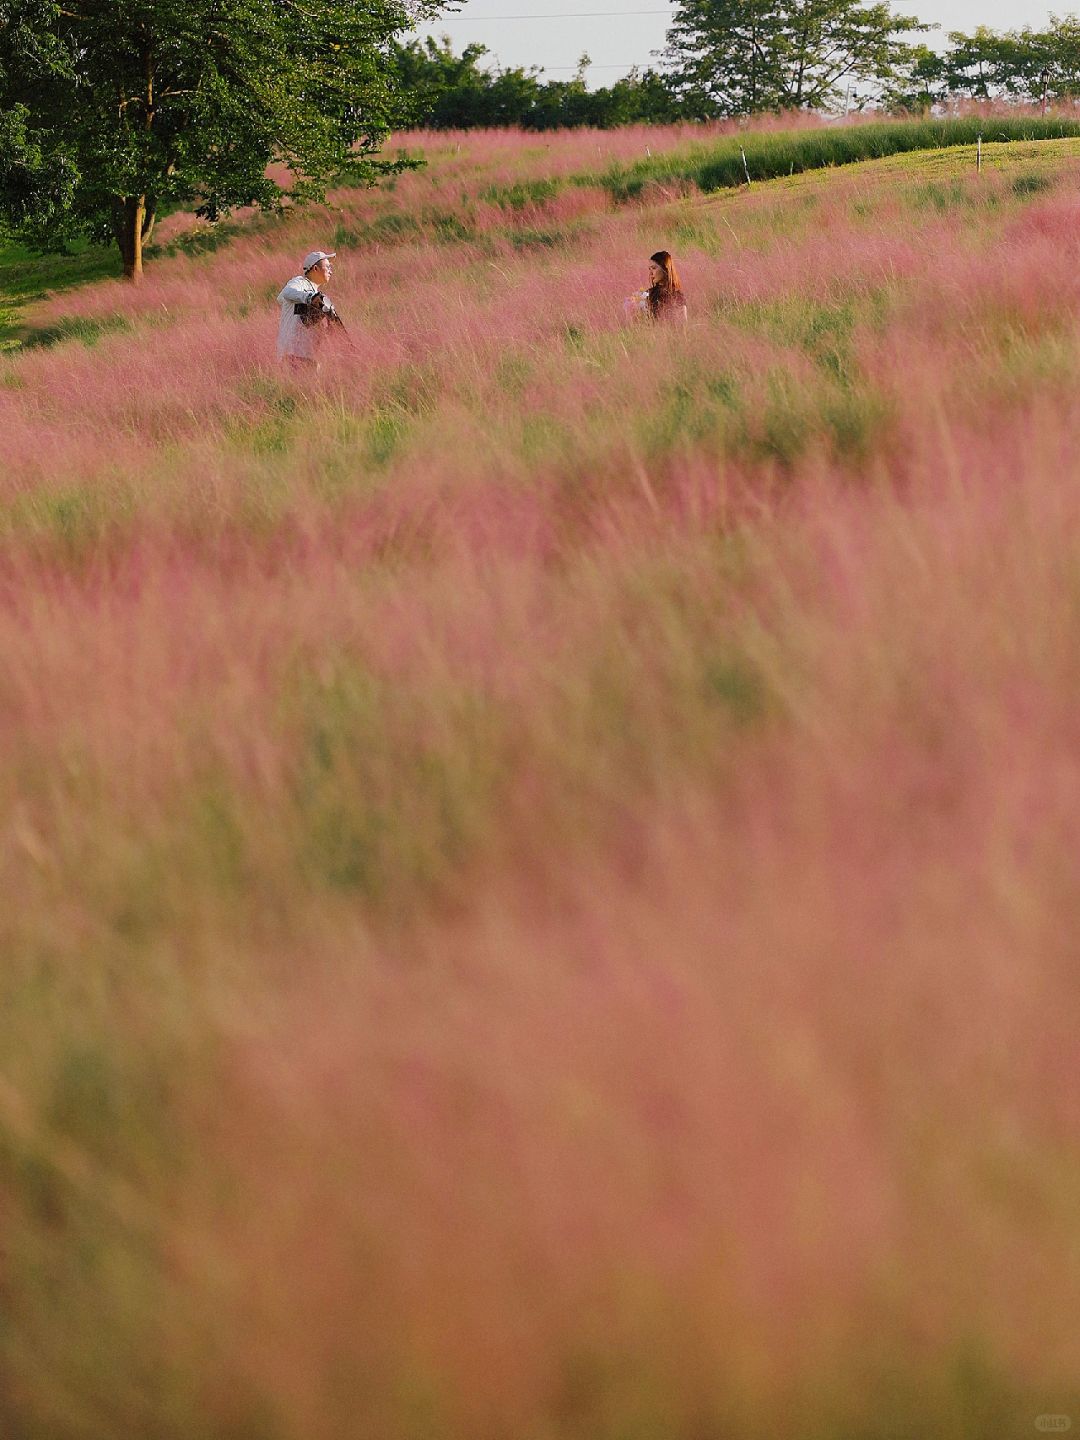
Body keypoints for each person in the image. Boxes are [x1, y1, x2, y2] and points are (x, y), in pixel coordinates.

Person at [276, 249, 339, 365]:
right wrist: (310, 298)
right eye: (328, 267)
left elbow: (306, 327)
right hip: (291, 355)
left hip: (303, 357)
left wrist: (328, 332)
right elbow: (286, 293)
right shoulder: (300, 282)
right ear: (315, 268)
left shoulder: (317, 298)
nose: (331, 271)